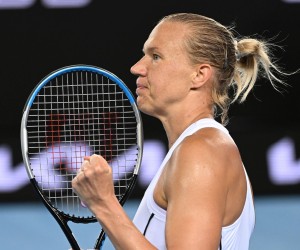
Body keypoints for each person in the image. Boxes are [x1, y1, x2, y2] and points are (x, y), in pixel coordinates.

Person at [72, 12, 288, 249]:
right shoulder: (196, 148)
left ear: (199, 75)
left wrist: (104, 204)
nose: (136, 68)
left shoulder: (202, 152)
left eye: (155, 56)